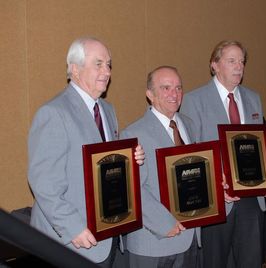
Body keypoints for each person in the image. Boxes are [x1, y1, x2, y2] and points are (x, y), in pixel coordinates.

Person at [28, 37, 145, 267]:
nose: (107, 71)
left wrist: (129, 159)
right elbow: (44, 183)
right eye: (98, 64)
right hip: (70, 242)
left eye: (109, 64)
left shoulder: (107, 109)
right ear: (75, 69)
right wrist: (73, 228)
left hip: (107, 235)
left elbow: (99, 164)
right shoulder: (53, 113)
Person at [180, 40, 266, 268]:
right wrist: (215, 183)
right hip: (217, 200)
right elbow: (190, 154)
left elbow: (257, 147)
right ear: (214, 65)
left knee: (251, 261)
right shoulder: (194, 101)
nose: (239, 66)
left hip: (251, 198)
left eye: (242, 61)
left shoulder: (253, 98)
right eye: (231, 61)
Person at [120, 66, 200, 268]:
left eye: (178, 87)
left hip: (190, 237)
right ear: (150, 95)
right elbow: (133, 188)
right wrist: (164, 223)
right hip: (152, 242)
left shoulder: (190, 125)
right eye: (166, 88)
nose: (174, 94)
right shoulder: (132, 134)